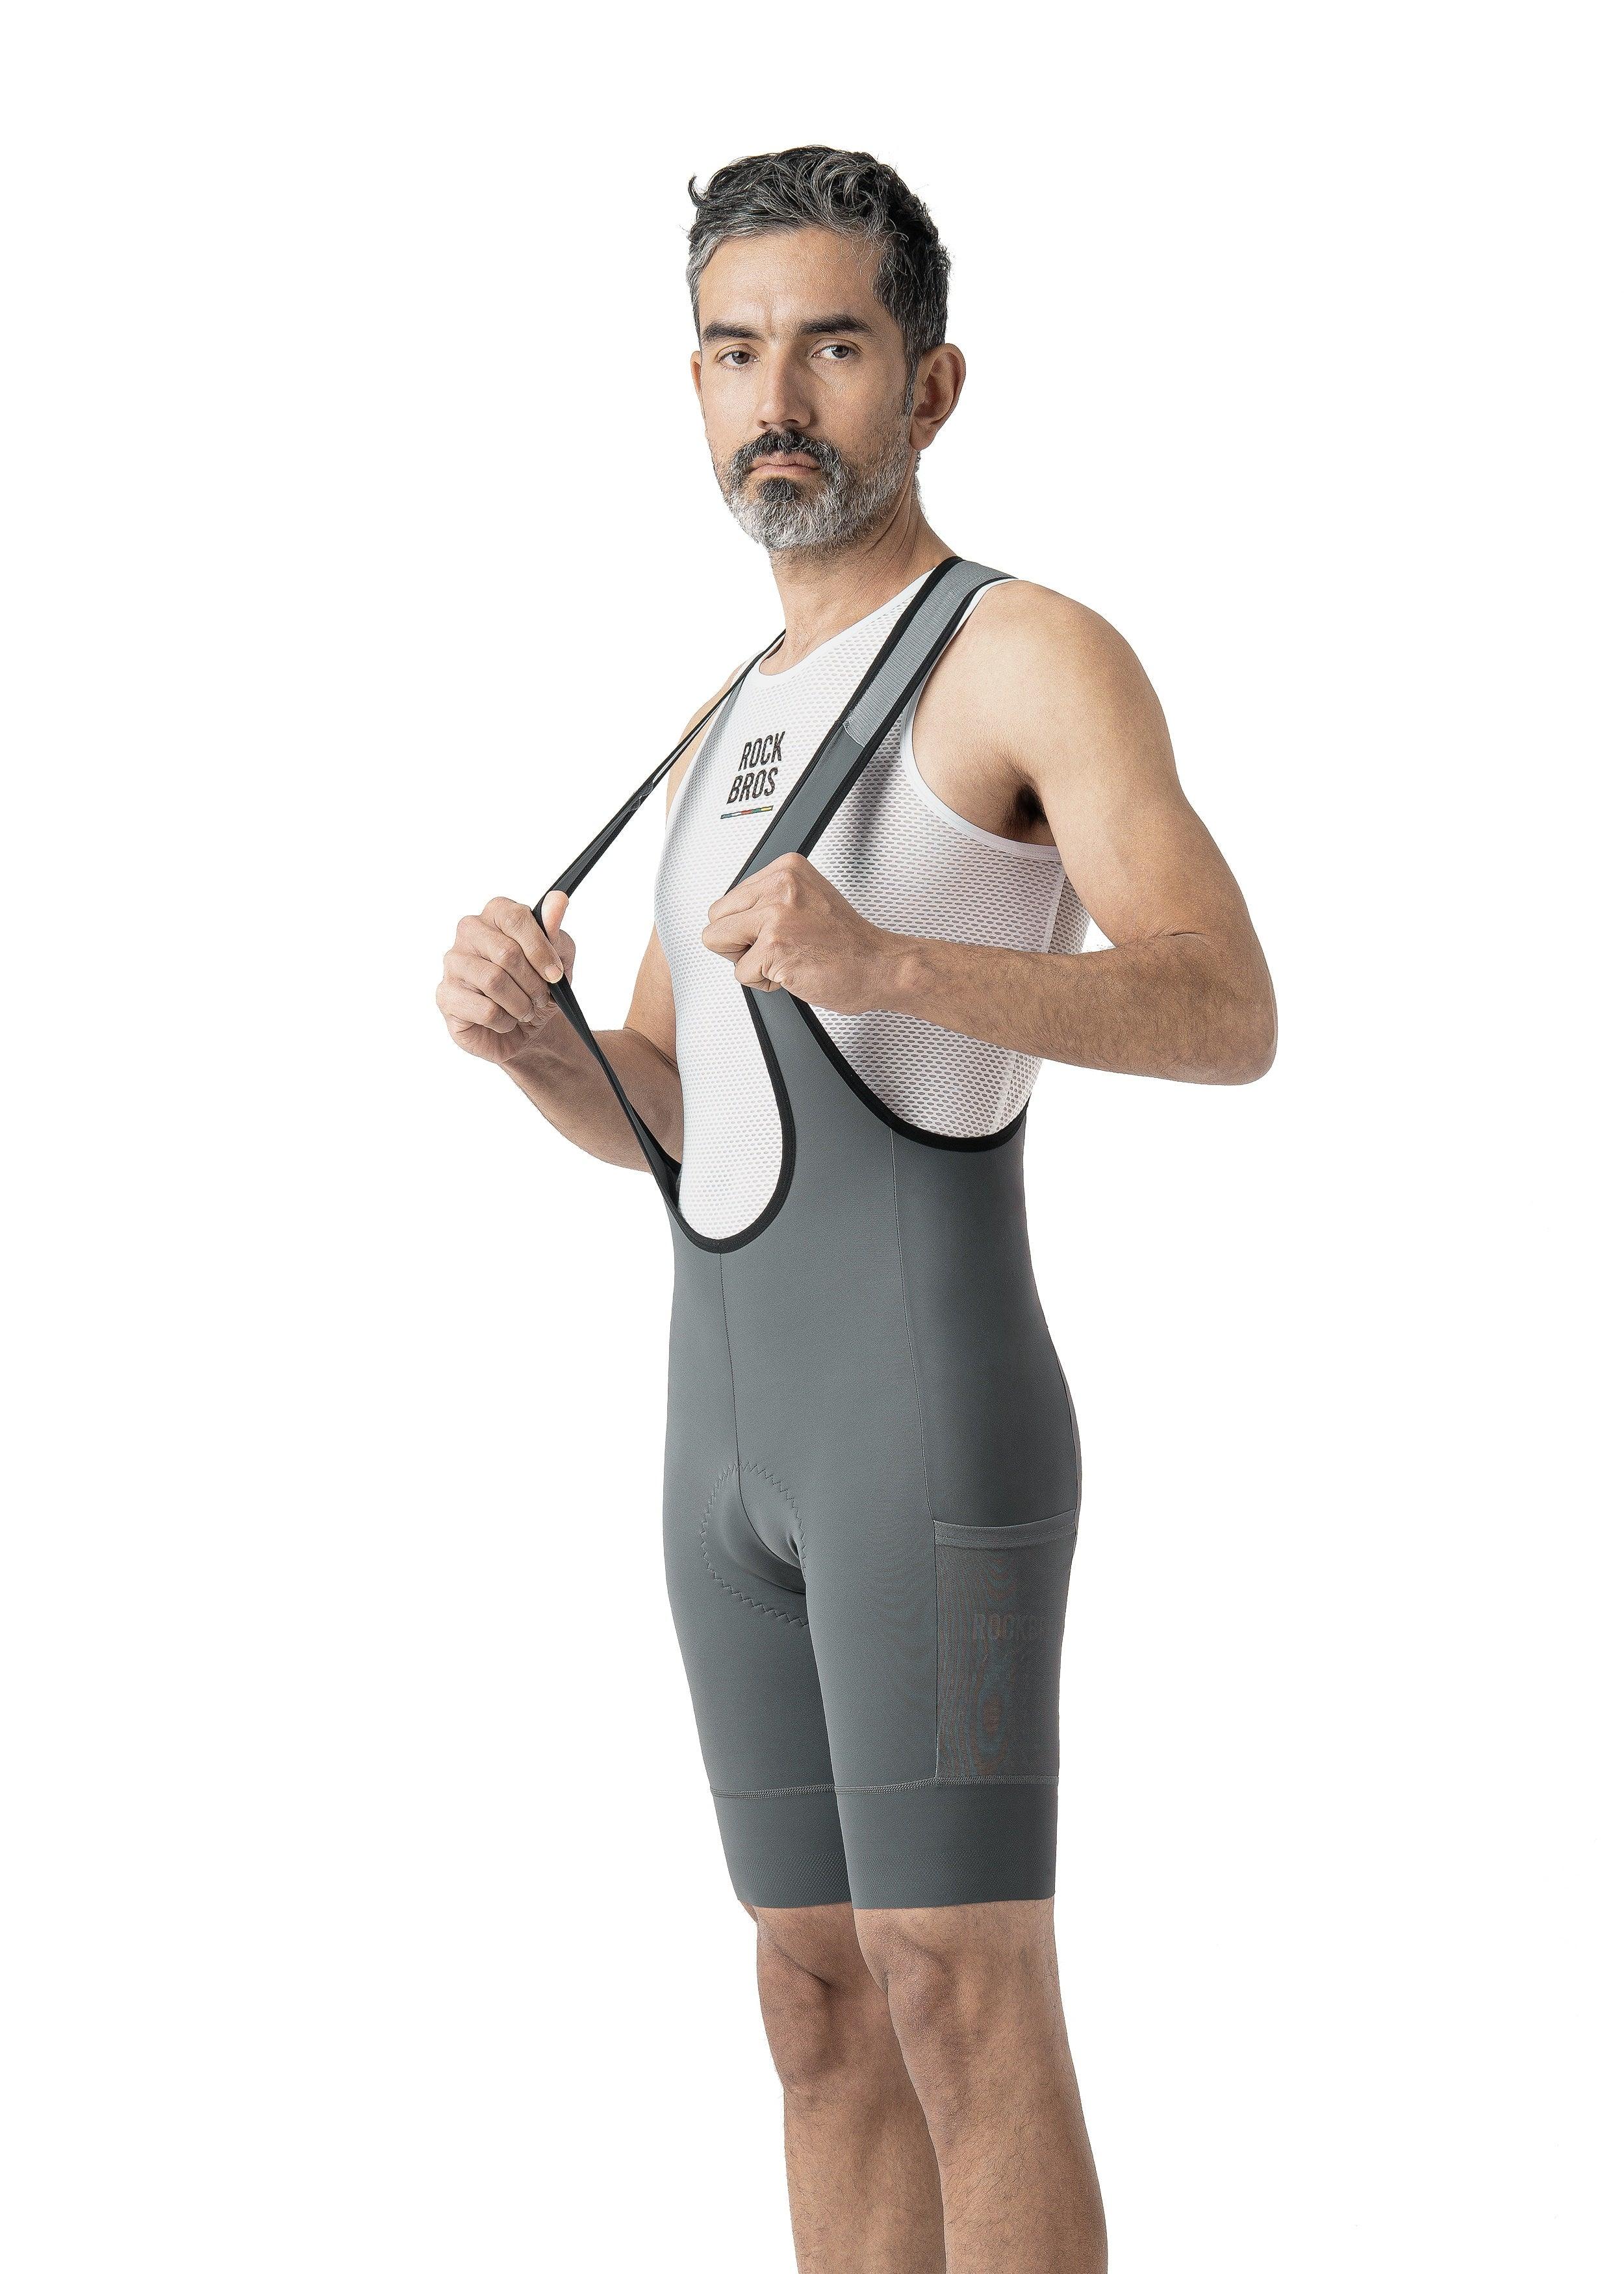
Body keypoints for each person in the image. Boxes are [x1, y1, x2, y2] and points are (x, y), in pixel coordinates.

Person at [437, 146, 1275, 2274]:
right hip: (722, 1446)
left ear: (931, 381)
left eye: (829, 344)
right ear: (695, 387)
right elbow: (667, 1100)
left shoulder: (1026, 653)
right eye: (735, 352)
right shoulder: (714, 724)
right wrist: (535, 1043)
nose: (777, 398)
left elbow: (1226, 1005)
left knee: (956, 1985)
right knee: (814, 1994)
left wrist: (894, 961)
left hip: (930, 1431)